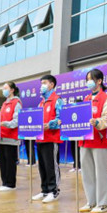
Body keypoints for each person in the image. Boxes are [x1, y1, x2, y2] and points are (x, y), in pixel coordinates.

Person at [78, 69, 107, 213]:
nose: (88, 82)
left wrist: (97, 122)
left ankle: (103, 203)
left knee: (101, 173)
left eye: (91, 79)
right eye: (87, 80)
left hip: (100, 141)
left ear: (99, 81)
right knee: (87, 173)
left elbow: (106, 118)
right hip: (85, 141)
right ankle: (91, 201)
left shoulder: (106, 98)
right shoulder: (86, 99)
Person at [32, 74, 63, 203]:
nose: (42, 86)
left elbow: (61, 118)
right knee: (42, 166)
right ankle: (44, 190)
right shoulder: (41, 102)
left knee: (51, 166)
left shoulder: (57, 100)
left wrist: (49, 125)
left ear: (51, 84)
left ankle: (54, 191)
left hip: (51, 138)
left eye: (44, 83)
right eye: (41, 83)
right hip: (40, 138)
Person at [0, 81, 22, 191]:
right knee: (3, 161)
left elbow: (16, 121)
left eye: (5, 88)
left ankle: (11, 184)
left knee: (10, 161)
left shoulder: (16, 103)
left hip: (11, 137)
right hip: (2, 137)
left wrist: (5, 124)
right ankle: (4, 182)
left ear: (12, 90)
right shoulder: (4, 103)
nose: (3, 90)